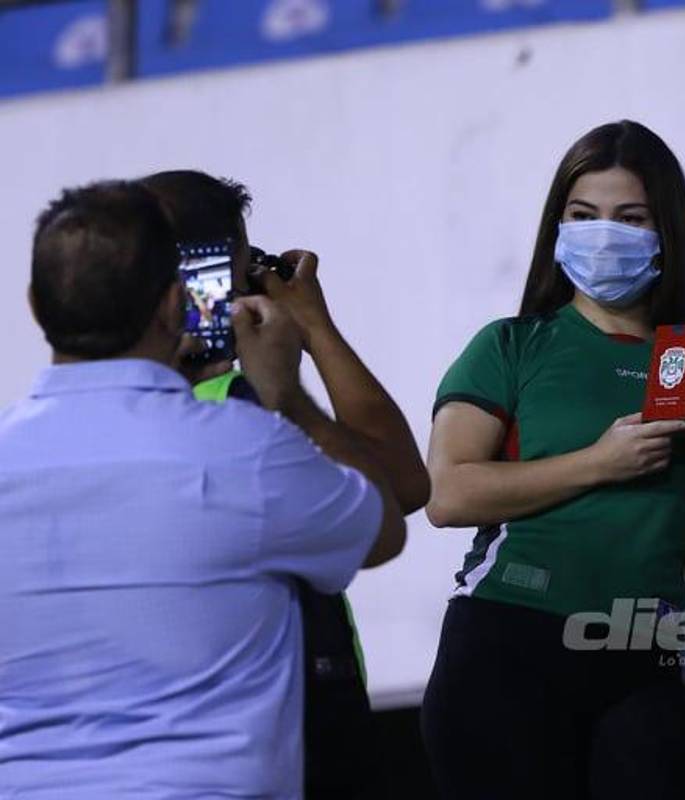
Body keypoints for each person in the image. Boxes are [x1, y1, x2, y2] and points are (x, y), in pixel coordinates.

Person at [0, 180, 409, 799]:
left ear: (35, 305)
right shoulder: (247, 446)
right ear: (175, 305)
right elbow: (384, 523)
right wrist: (291, 399)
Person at [420, 120, 685, 799]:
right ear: (558, 228)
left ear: (666, 231)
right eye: (583, 216)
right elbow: (448, 494)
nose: (603, 233)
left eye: (630, 217)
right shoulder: (511, 346)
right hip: (505, 641)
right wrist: (599, 461)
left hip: (640, 654)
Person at [138, 169, 429, 798]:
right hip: (293, 722)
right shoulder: (252, 409)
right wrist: (309, 336)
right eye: (242, 269)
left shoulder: (109, 417)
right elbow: (403, 486)